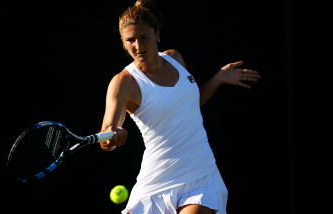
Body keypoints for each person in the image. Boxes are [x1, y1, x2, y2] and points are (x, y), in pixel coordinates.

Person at [100, 0, 261, 213]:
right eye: (130, 40)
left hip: (201, 173)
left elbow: (188, 106)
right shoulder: (123, 82)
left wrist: (217, 79)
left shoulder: (175, 58)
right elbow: (107, 136)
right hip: (156, 180)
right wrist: (113, 137)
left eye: (144, 37)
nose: (138, 46)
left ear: (157, 34)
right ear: (123, 42)